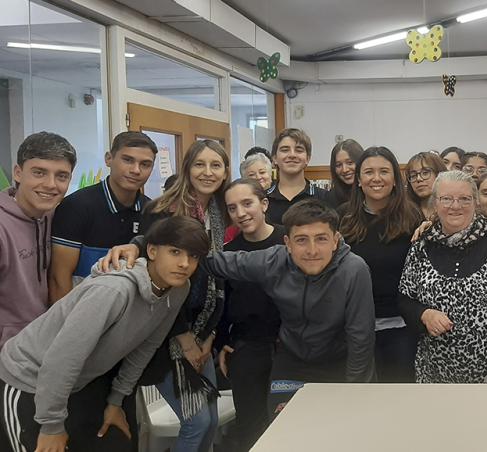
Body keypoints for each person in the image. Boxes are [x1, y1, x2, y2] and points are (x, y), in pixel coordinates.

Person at [102, 199, 376, 385]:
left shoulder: (353, 270)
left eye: (322, 239)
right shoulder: (272, 261)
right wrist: (140, 244)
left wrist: (354, 391)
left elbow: (360, 338)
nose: (312, 250)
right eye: (302, 240)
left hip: (340, 363)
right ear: (287, 243)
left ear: (336, 240)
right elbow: (208, 260)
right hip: (292, 361)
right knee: (285, 436)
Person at [0, 216, 207, 452]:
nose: (184, 264)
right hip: (27, 379)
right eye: (175, 252)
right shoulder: (113, 291)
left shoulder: (179, 288)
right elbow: (63, 358)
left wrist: (115, 401)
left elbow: (146, 346)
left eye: (193, 256)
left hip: (75, 384)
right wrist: (51, 426)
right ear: (151, 251)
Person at [48, 131, 157, 449]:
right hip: (81, 341)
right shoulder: (78, 207)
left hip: (122, 342)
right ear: (109, 159)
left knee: (123, 430)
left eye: (145, 164)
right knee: (86, 431)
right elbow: (59, 279)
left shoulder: (151, 212)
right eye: (127, 160)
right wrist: (73, 338)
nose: (136, 169)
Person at [137, 139, 230, 452]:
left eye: (215, 165)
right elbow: (157, 282)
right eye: (199, 164)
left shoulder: (221, 212)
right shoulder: (163, 211)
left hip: (205, 331)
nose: (207, 172)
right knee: (197, 422)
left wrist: (208, 336)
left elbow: (219, 279)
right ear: (187, 168)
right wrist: (185, 337)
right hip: (168, 335)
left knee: (211, 422)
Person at [398, 170, 487, 383]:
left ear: (476, 203)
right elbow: (405, 299)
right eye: (446, 199)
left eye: (464, 199)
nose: (455, 206)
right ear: (435, 203)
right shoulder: (421, 245)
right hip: (436, 372)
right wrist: (424, 314)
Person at [340, 147, 423, 382]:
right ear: (358, 180)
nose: (376, 178)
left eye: (384, 171)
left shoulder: (413, 218)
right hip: (355, 329)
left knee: (398, 401)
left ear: (395, 179)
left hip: (401, 328)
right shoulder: (343, 219)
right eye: (368, 172)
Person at [217, 179, 284, 452]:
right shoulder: (229, 254)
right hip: (247, 346)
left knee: (286, 419)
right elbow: (224, 302)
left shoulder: (289, 239)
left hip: (290, 347)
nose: (241, 213)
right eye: (232, 208)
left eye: (247, 203)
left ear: (264, 203)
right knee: (251, 424)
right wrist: (222, 340)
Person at [0, 132, 76, 350]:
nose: (50, 184)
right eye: (39, 173)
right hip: (7, 355)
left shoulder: (56, 217)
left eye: (61, 176)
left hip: (41, 347)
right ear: (18, 172)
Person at [266, 128, 331, 225]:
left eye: (299, 150)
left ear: (307, 159)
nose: (292, 155)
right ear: (275, 158)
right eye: (285, 150)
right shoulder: (263, 199)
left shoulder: (324, 198)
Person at [406, 151, 447, 220]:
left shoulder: (452, 208)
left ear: (439, 174)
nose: (419, 179)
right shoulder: (406, 211)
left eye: (425, 173)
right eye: (413, 175)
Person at [327, 139, 364, 207]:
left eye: (350, 163)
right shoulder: (331, 197)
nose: (344, 170)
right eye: (338, 165)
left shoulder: (371, 191)